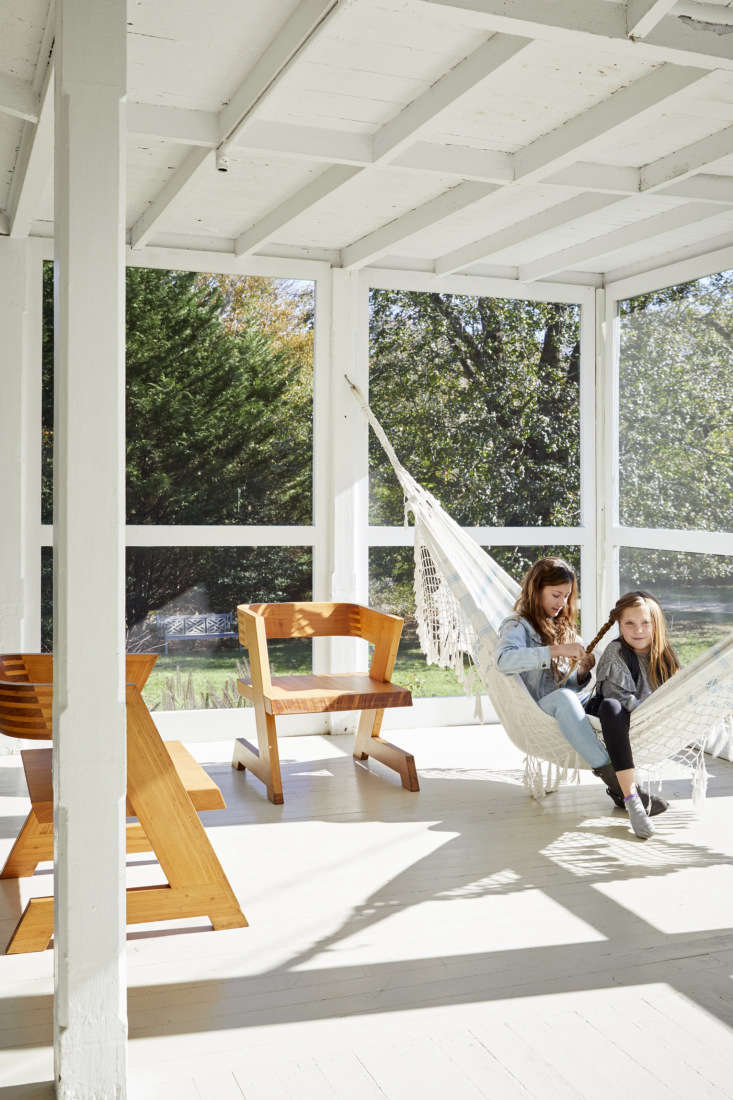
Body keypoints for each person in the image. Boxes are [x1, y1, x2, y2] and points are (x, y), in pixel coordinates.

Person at [496, 556, 612, 779]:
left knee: (607, 694)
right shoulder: (517, 625)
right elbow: (504, 660)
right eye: (556, 595)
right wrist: (558, 650)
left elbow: (562, 688)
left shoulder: (555, 626)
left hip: (560, 703)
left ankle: (627, 760)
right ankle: (611, 774)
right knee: (564, 699)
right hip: (535, 709)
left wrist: (580, 673)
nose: (561, 603)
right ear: (536, 590)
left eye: (566, 596)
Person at [584, 591, 679, 838]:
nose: (638, 630)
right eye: (630, 623)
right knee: (611, 707)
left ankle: (620, 793)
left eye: (645, 623)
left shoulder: (664, 654)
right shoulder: (615, 654)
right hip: (614, 719)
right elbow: (619, 699)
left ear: (655, 623)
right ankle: (631, 799)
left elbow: (676, 689)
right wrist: (650, 709)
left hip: (649, 719)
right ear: (619, 624)